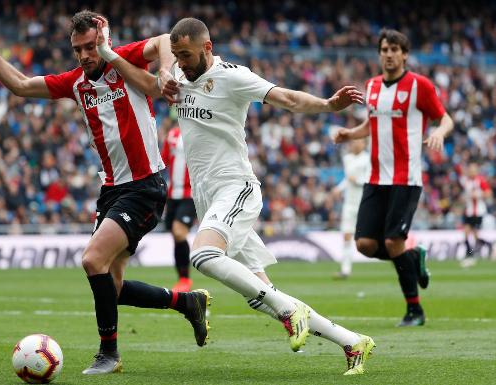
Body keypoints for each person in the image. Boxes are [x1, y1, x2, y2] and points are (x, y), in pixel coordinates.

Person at [94, 16, 375, 375]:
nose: (180, 62)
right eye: (176, 55)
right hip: (207, 197)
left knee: (203, 255)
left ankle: (293, 311)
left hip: (236, 187)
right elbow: (150, 84)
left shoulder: (232, 76)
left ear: (207, 48)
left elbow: (285, 97)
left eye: (186, 55)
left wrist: (328, 105)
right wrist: (108, 53)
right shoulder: (179, 75)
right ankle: (352, 342)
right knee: (261, 295)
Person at [0, 11, 211, 376]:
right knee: (113, 285)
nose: (83, 55)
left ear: (103, 41)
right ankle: (186, 302)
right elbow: (19, 84)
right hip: (111, 189)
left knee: (92, 259)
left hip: (144, 185)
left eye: (90, 46)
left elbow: (162, 40)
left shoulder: (123, 60)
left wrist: (165, 70)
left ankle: (108, 354)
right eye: (77, 49)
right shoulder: (75, 82)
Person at [333, 28, 454, 327]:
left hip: (405, 177)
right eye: (384, 49)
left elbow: (445, 118)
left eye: (394, 49)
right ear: (380, 53)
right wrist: (351, 134)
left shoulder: (419, 86)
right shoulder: (372, 86)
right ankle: (414, 259)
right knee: (364, 245)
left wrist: (438, 132)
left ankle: (415, 310)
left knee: (393, 242)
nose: (388, 54)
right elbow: (371, 125)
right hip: (376, 178)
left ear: (404, 54)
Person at [161, 124, 197, 291]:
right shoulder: (172, 134)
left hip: (190, 194)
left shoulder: (199, 130)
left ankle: (185, 279)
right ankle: (182, 278)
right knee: (176, 236)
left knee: (178, 231)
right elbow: (164, 160)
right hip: (172, 194)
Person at [332, 138, 370, 279]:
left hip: (364, 203)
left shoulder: (368, 159)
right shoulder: (347, 158)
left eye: (358, 141)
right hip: (349, 204)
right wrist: (338, 189)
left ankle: (394, 257)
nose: (354, 143)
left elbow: (370, 179)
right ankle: (345, 270)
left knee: (370, 237)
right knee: (347, 236)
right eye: (353, 142)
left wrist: (358, 180)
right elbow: (348, 179)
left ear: (364, 144)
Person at [459, 162, 492, 267]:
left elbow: (488, 193)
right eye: (470, 170)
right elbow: (464, 195)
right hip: (468, 212)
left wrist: (478, 194)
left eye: (473, 170)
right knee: (466, 233)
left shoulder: (480, 181)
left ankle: (486, 246)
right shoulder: (467, 182)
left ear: (476, 171)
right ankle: (470, 253)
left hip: (478, 212)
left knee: (475, 235)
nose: (471, 172)